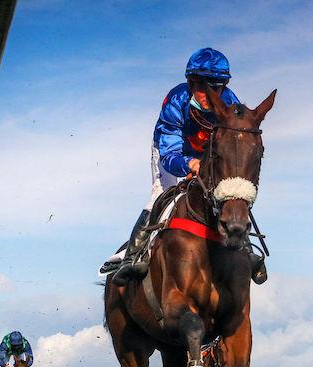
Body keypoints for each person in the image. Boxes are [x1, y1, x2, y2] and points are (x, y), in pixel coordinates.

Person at [107, 47, 267, 286]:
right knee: (160, 196)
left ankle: (245, 247)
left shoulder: (230, 102)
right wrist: (188, 163)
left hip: (210, 153)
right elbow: (170, 151)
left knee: (229, 192)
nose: (211, 93)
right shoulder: (176, 101)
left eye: (217, 86)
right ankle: (134, 256)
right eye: (204, 86)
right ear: (192, 83)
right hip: (172, 150)